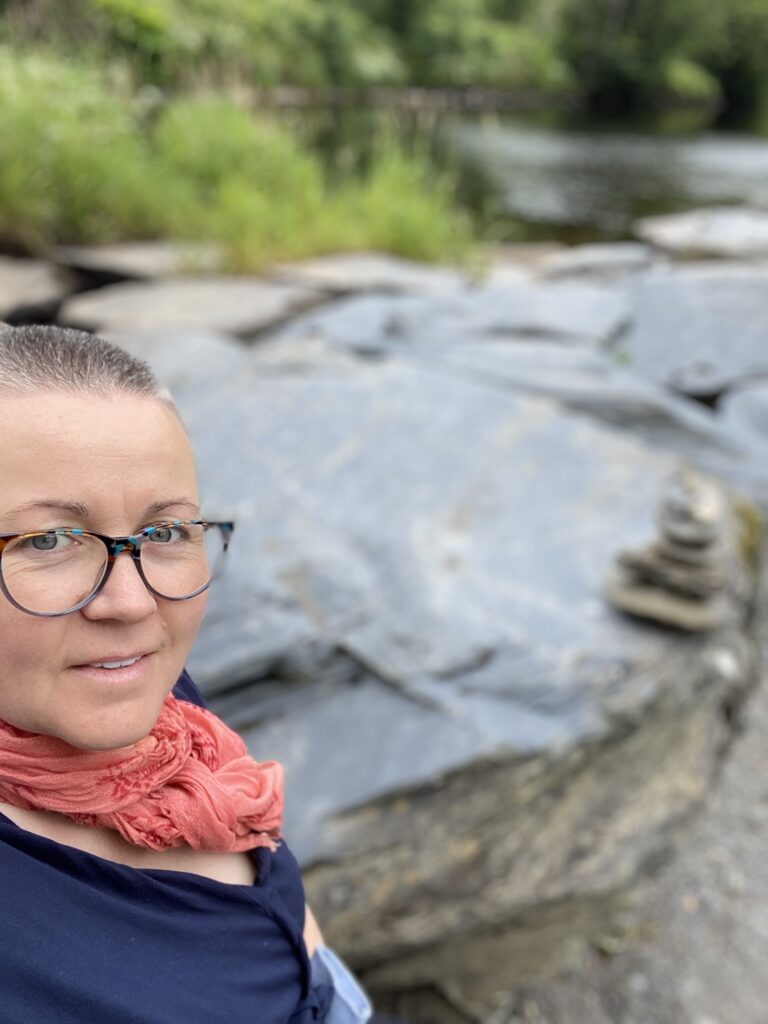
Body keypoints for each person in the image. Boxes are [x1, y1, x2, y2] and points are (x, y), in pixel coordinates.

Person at [0, 324, 373, 1023]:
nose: (132, 602)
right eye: (48, 541)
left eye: (165, 532)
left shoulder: (126, 687)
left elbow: (263, 866)